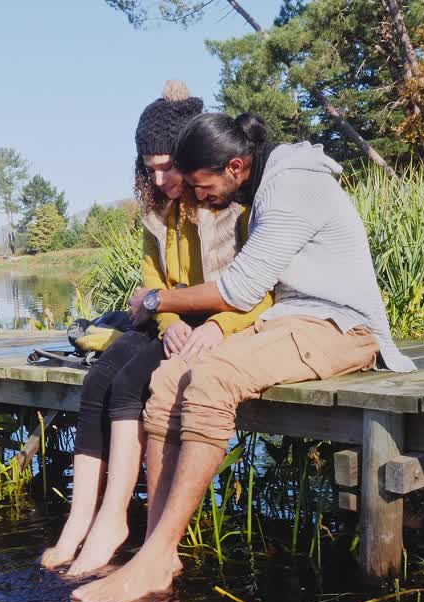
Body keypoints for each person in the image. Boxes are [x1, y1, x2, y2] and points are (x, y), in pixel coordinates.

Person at [73, 112, 415, 602]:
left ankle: (155, 555)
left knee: (213, 378)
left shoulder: (292, 186)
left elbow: (241, 288)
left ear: (236, 166)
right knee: (168, 380)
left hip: (343, 326)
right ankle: (156, 550)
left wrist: (154, 302)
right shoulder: (267, 185)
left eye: (200, 184)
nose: (195, 196)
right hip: (293, 321)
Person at [41, 83, 272, 575]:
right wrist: (165, 320)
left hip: (219, 322)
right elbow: (154, 284)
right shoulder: (158, 213)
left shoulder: (231, 205)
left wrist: (218, 325)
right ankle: (79, 519)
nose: (163, 177)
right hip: (174, 319)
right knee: (99, 378)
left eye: (170, 166)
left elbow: (261, 288)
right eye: (152, 168)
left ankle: (113, 519)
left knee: (128, 384)